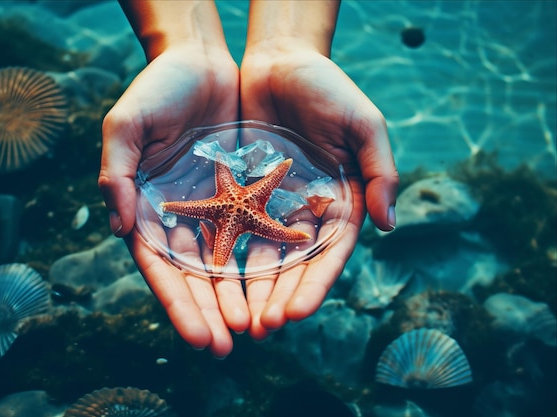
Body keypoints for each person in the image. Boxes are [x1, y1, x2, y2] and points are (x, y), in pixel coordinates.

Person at [98, 0, 399, 359]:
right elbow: (224, 174)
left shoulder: (238, 189)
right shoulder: (231, 189)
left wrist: (287, 49)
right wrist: (190, 49)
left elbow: (231, 176)